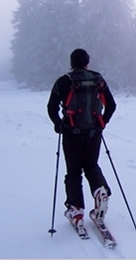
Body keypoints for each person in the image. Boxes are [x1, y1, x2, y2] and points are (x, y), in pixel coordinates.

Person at [47, 48, 117, 230]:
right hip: (94, 134)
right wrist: (102, 123)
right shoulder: (98, 80)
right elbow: (111, 105)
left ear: (72, 63)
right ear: (87, 62)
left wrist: (58, 124)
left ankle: (76, 210)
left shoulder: (64, 81)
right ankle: (100, 191)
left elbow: (51, 107)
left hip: (71, 134)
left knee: (73, 171)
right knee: (91, 165)